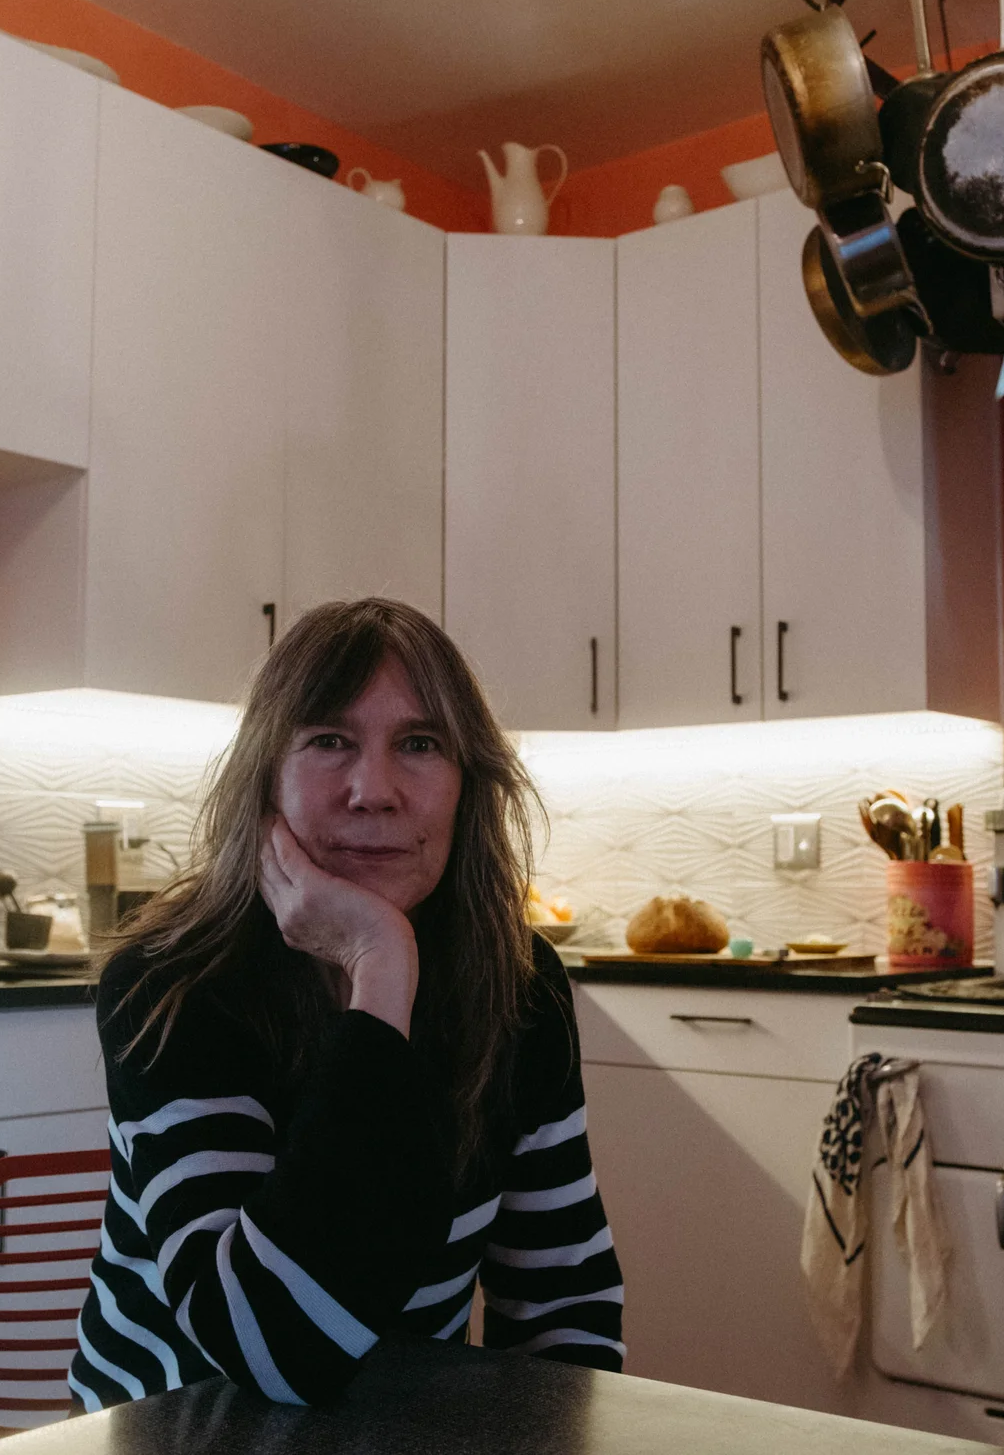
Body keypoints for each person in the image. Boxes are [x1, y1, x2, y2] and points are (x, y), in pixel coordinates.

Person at [69, 598, 624, 1409]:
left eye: (421, 744)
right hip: (180, 1429)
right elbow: (269, 1348)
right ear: (266, 780)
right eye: (330, 741)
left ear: (469, 786)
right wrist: (381, 970)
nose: (375, 790)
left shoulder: (519, 985)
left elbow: (563, 1307)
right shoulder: (173, 984)